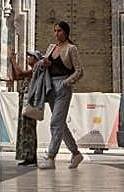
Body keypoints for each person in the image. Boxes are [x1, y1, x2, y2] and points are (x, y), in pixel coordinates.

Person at [37, 21, 84, 170]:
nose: (57, 33)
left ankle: (50, 157)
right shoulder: (51, 48)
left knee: (55, 122)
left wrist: (67, 82)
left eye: (59, 31)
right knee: (60, 124)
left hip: (63, 87)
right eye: (55, 31)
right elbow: (43, 64)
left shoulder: (71, 49)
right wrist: (44, 63)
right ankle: (76, 153)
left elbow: (79, 70)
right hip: (50, 87)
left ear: (66, 32)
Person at [5, 49, 41, 167]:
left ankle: (31, 158)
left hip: (30, 103)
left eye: (31, 56)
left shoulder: (36, 70)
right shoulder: (31, 71)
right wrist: (12, 63)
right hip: (25, 103)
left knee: (29, 129)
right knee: (24, 129)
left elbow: (20, 74)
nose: (28, 58)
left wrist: (14, 61)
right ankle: (27, 156)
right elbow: (16, 76)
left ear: (36, 59)